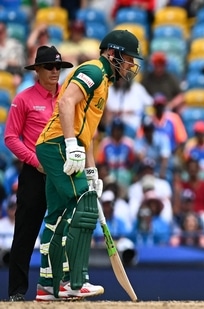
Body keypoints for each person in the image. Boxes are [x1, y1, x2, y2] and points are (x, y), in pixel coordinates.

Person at [34, 29, 142, 301]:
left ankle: (49, 285)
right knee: (85, 205)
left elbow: (88, 133)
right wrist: (70, 145)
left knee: (58, 214)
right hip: (58, 143)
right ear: (113, 53)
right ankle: (74, 282)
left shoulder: (104, 81)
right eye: (128, 59)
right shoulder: (94, 71)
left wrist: (91, 171)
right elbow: (67, 102)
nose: (130, 66)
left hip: (60, 144)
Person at [4, 45, 74, 302]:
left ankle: (59, 287)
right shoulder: (23, 99)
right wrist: (36, 161)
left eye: (58, 67)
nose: (55, 71)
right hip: (35, 174)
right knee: (25, 232)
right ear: (37, 70)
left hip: (62, 172)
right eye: (50, 67)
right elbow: (11, 138)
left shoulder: (68, 97)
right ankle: (17, 292)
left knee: (61, 232)